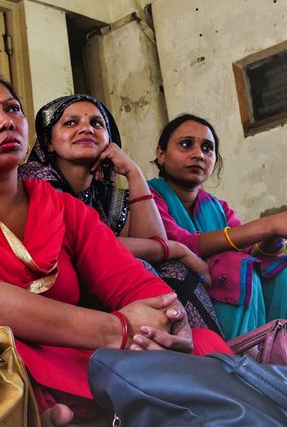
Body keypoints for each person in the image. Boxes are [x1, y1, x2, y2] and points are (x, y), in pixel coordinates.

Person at [0, 74, 230, 427]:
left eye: (13, 109)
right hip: (6, 351)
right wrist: (117, 330)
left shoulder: (62, 206)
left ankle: (85, 423)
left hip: (72, 345)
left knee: (204, 344)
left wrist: (166, 320)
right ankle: (87, 417)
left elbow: (129, 279)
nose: (6, 121)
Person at [20, 95, 220, 334]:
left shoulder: (105, 195)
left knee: (173, 269)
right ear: (49, 142)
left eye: (97, 123)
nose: (86, 128)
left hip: (99, 287)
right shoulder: (35, 181)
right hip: (52, 291)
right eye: (71, 123)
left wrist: (133, 172)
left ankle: (207, 355)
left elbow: (153, 245)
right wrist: (177, 248)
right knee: (142, 266)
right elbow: (87, 248)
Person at [148, 114, 287, 340]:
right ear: (161, 154)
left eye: (208, 148)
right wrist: (271, 223)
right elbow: (179, 243)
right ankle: (240, 358)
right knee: (236, 265)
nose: (199, 154)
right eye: (186, 144)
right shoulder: (147, 197)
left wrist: (280, 234)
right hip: (177, 297)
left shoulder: (217, 207)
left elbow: (252, 254)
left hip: (222, 290)